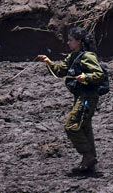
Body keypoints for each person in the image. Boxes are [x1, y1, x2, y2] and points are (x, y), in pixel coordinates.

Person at [37, 27, 105, 173]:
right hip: (79, 96)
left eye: (71, 40)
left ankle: (87, 155)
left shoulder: (88, 56)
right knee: (84, 126)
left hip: (88, 97)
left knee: (71, 125)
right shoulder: (73, 56)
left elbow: (99, 74)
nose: (68, 43)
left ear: (79, 41)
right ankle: (89, 162)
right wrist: (48, 61)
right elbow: (60, 70)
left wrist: (86, 77)